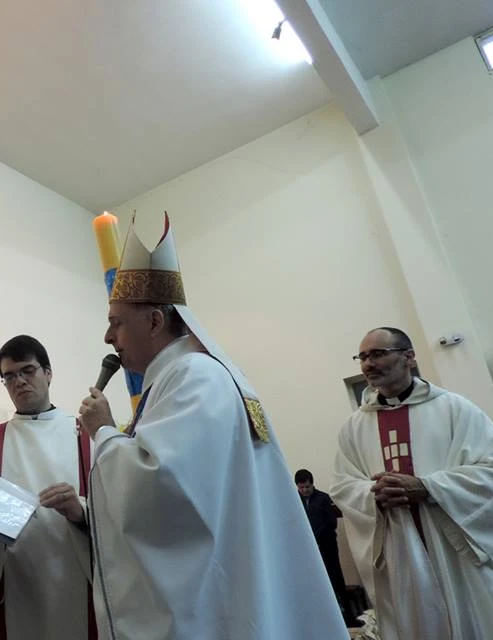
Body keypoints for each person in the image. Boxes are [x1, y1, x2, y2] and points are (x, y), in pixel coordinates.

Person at [77, 213, 347, 639]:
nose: (109, 337)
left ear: (154, 321)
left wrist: (105, 433)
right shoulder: (182, 378)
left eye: (117, 322)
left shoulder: (193, 376)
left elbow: (163, 486)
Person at [331, 327, 493, 640]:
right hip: (399, 550)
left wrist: (429, 487)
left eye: (378, 354)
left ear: (409, 357)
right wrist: (373, 495)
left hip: (453, 547)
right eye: (363, 357)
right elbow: (343, 485)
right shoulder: (354, 427)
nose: (368, 363)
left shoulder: (454, 409)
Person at [0, 335, 95, 639]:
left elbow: (118, 512)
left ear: (48, 373)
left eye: (28, 371)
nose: (19, 382)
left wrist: (80, 511)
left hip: (74, 577)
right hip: (13, 581)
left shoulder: (85, 436)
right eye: (9, 376)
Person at [295, 468, 354, 624]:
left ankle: (348, 618)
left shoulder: (323, 498)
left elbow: (331, 523)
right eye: (301, 488)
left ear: (312, 484)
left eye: (307, 487)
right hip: (307, 549)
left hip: (327, 546)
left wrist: (315, 536)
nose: (304, 490)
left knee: (335, 580)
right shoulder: (295, 501)